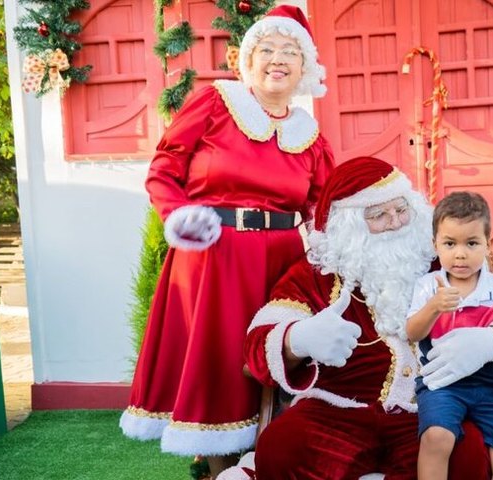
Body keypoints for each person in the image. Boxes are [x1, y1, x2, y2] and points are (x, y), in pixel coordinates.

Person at [119, 5, 334, 477]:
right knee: (218, 359)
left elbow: (324, 206)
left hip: (283, 266)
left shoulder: (310, 135)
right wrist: (179, 216)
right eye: (268, 49)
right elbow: (164, 169)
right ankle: (218, 468)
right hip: (214, 258)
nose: (278, 60)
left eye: (290, 52)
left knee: (275, 355)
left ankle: (270, 461)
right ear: (248, 58)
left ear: (304, 67)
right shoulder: (216, 103)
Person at [235, 157, 493, 479]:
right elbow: (257, 346)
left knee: (466, 454)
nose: (396, 222)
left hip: (433, 407)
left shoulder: (445, 261)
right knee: (281, 446)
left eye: (401, 210)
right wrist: (298, 339)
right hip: (337, 410)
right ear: (348, 225)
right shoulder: (315, 274)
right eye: (378, 215)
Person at [406, 191, 493, 480]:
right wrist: (433, 307)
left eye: (471, 243)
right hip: (441, 382)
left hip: (489, 385)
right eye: (450, 243)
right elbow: (412, 332)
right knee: (436, 438)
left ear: (488, 244)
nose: (460, 254)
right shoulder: (428, 285)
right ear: (435, 244)